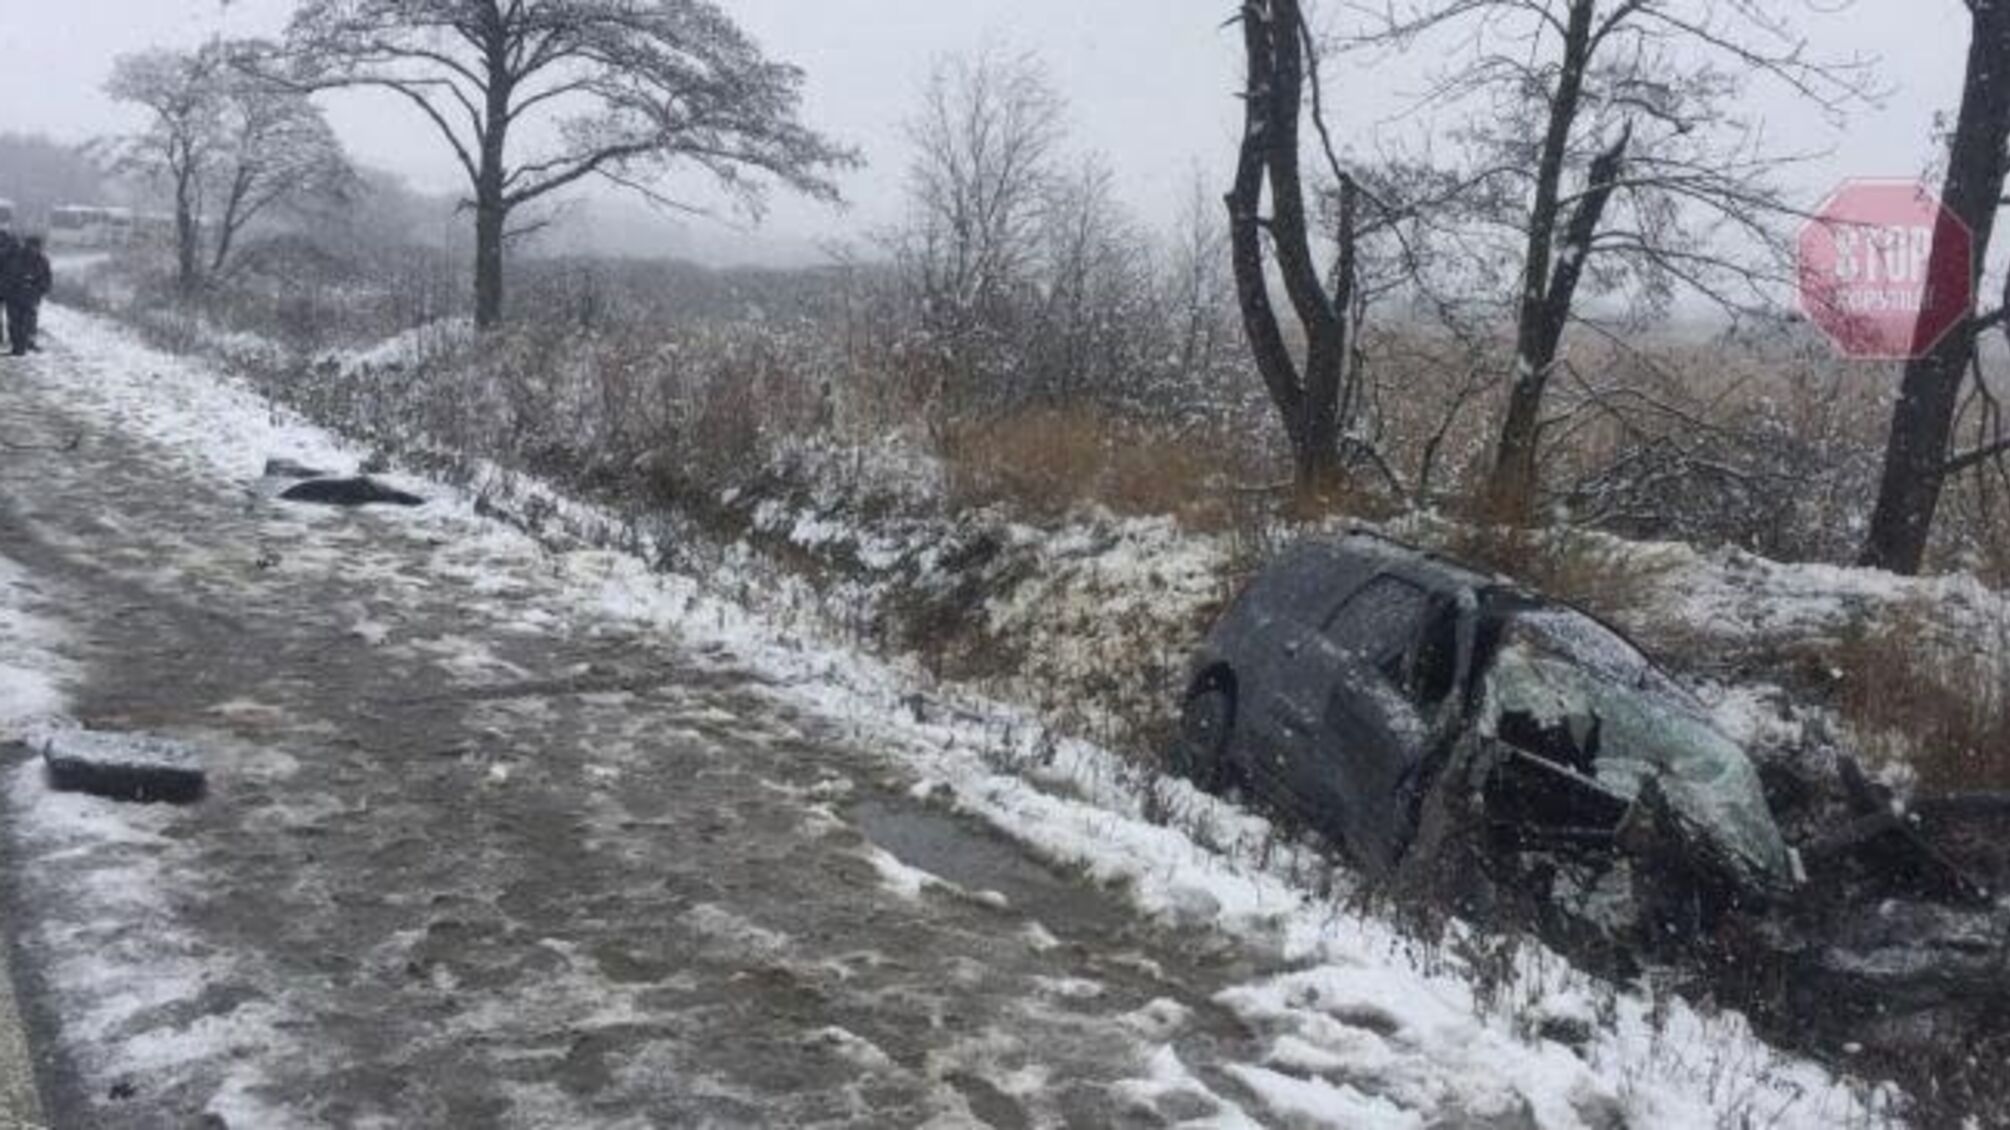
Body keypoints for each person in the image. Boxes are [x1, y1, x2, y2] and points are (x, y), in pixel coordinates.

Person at [4, 235, 50, 356]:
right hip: (15, 295)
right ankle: (17, 347)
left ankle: (23, 347)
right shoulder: (16, 257)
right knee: (15, 323)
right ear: (27, 245)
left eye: (37, 247)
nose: (34, 249)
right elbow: (8, 275)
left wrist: (40, 290)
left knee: (27, 322)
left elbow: (47, 278)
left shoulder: (42, 260)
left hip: (31, 296)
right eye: (32, 246)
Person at [0, 226, 17, 349]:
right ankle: (13, 338)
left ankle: (10, 338)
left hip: (9, 287)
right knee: (13, 316)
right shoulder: (15, 250)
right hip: (11, 288)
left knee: (13, 316)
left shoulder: (11, 251)